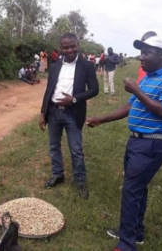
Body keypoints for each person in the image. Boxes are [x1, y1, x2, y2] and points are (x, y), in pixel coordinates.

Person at [86, 36, 162, 251]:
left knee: (131, 190)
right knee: (137, 188)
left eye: (147, 52)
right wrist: (102, 119)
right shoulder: (147, 77)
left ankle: (126, 245)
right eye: (141, 52)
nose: (142, 56)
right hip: (138, 142)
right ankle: (135, 232)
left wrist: (136, 89)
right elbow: (130, 107)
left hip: (152, 144)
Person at [39, 33, 99, 200]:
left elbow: (94, 90)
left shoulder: (86, 66)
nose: (69, 50)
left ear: (78, 45)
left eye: (72, 46)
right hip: (54, 112)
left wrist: (73, 99)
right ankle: (58, 175)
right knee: (53, 147)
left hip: (73, 113)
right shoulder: (55, 66)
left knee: (76, 150)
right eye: (65, 47)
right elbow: (49, 90)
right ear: (61, 49)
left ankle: (80, 180)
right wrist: (43, 112)